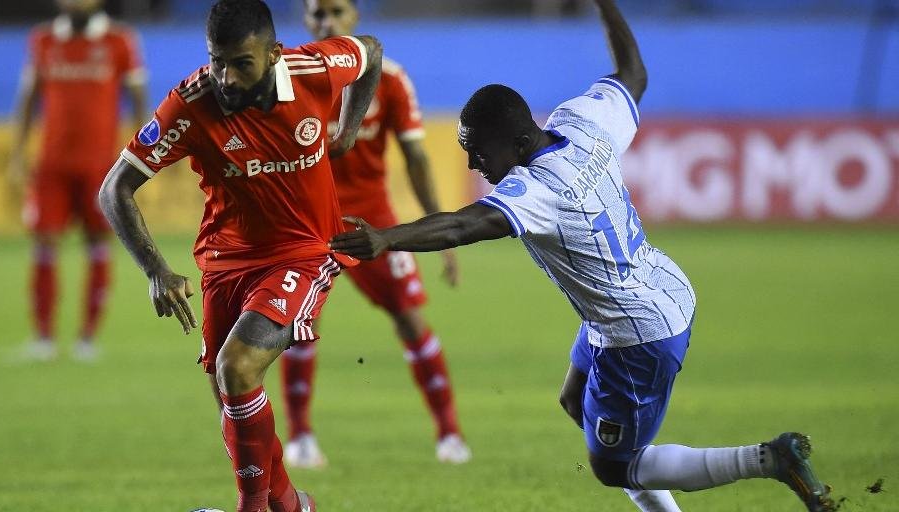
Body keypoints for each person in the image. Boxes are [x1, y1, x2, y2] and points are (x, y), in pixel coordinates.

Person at [329, 1, 837, 511]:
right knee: (575, 401)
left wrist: (385, 238)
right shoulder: (583, 122)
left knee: (614, 465)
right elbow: (633, 73)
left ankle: (772, 459)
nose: (472, 164)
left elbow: (466, 224)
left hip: (635, 328)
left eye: (479, 152)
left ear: (521, 140)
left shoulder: (538, 188)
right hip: (657, 285)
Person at [98, 1, 382, 510]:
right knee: (233, 399)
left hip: (305, 252)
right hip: (226, 261)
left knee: (237, 367)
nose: (225, 77)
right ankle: (293, 507)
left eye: (240, 64)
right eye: (216, 61)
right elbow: (114, 188)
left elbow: (371, 53)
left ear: (274, 54)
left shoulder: (314, 69)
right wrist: (155, 269)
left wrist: (348, 128)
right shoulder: (190, 104)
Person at [278, 0, 469, 469]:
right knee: (299, 327)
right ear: (305, 20)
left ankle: (449, 433)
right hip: (306, 221)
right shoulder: (287, 77)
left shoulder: (390, 78)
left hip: (372, 221)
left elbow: (416, 158)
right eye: (317, 13)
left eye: (336, 11)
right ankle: (300, 437)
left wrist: (437, 229)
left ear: (355, 18)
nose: (327, 21)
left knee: (410, 319)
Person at [10, 0, 148, 361]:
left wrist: (143, 161)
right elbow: (28, 98)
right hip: (51, 164)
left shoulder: (120, 41)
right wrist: (16, 155)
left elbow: (137, 99)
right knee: (44, 242)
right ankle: (43, 338)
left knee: (98, 242)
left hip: (99, 167)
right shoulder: (42, 40)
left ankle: (88, 338)